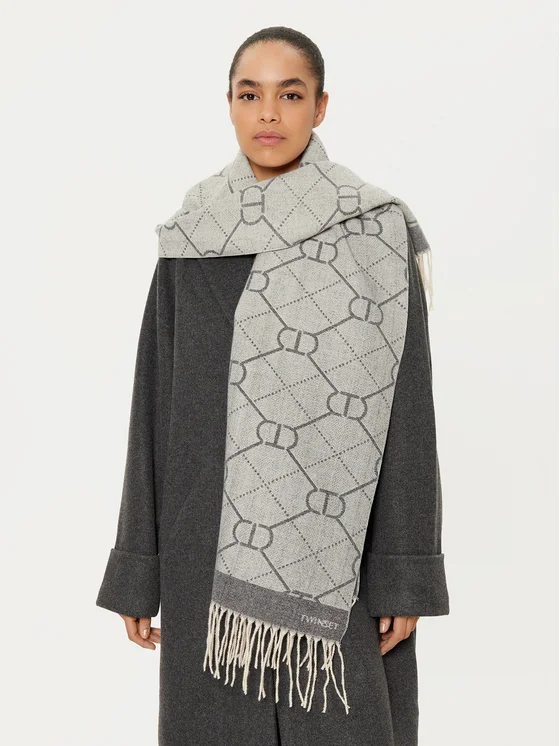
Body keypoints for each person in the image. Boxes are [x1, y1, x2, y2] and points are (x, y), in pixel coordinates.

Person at [96, 25, 450, 746]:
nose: (267, 113)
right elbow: (154, 406)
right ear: (228, 104)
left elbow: (408, 411)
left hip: (343, 562)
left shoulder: (374, 230)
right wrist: (139, 567)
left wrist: (404, 572)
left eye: (289, 95)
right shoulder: (193, 234)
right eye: (249, 94)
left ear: (320, 106)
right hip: (204, 558)